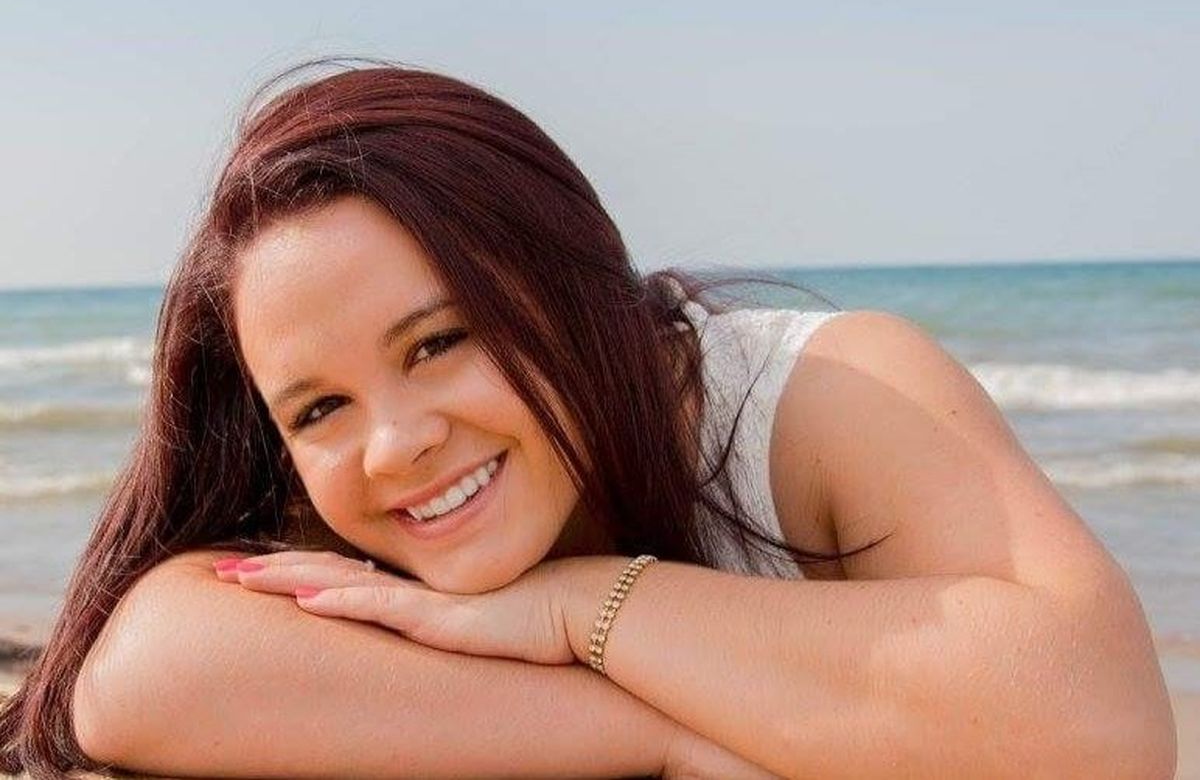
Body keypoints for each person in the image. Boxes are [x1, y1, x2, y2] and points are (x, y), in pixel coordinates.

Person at [0, 61, 1175, 779]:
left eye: (440, 341)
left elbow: (1103, 728)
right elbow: (140, 676)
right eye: (319, 406)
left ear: (571, 283)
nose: (394, 444)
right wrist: (658, 734)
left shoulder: (820, 396)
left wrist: (585, 608)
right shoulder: (350, 504)